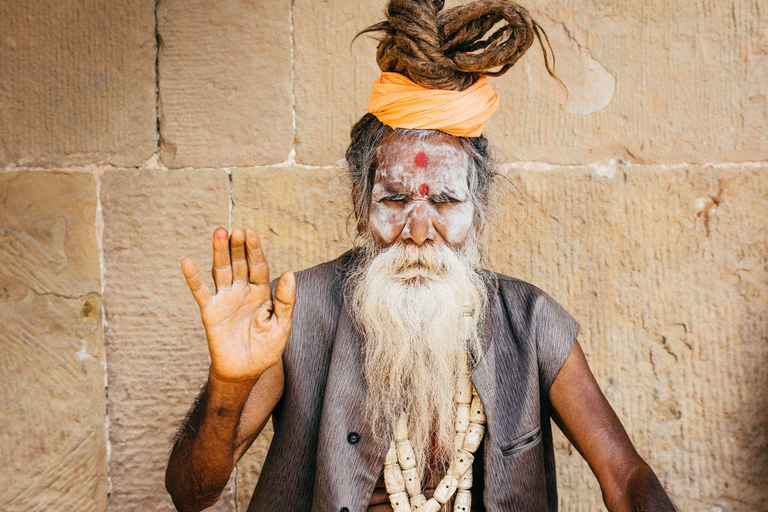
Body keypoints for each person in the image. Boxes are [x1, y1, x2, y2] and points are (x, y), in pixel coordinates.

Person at [165, 1, 678, 511]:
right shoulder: (300, 313)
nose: (417, 230)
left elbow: (626, 476)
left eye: (445, 201)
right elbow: (191, 493)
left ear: (478, 212)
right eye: (394, 199)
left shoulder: (532, 322)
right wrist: (229, 383)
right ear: (361, 206)